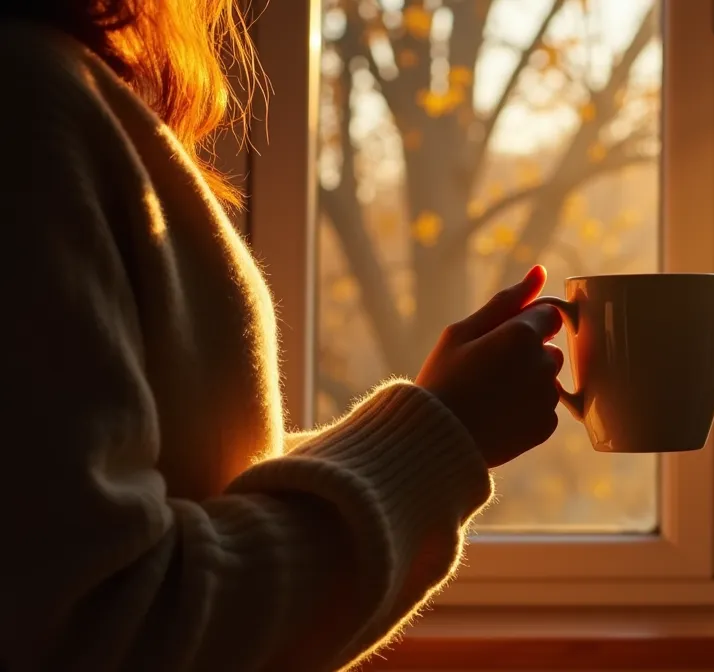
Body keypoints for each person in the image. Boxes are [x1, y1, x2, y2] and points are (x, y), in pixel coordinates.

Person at [0, 2, 568, 670]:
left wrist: (430, 417)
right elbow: (106, 625)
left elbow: (178, 493)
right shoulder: (28, 104)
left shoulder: (57, 88)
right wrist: (443, 433)